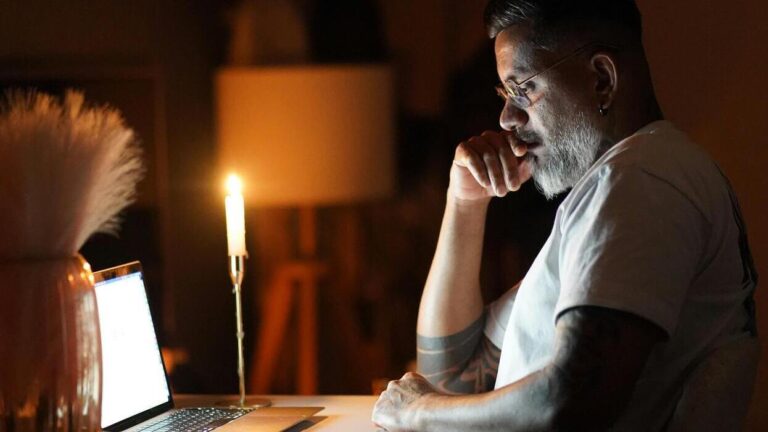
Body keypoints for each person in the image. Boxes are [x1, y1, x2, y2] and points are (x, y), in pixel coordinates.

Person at [372, 0, 758, 430]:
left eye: (523, 90)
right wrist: (464, 204)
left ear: (601, 79)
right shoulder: (618, 187)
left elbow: (571, 402)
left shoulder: (640, 181)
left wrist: (417, 412)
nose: (507, 118)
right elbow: (452, 379)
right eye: (505, 95)